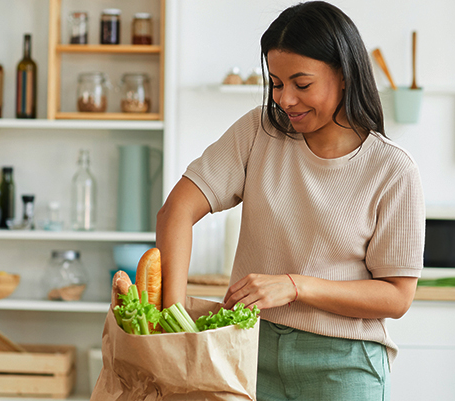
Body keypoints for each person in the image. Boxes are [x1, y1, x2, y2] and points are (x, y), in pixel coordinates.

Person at [156, 1, 424, 399]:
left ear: (345, 75)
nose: (285, 99)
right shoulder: (259, 132)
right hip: (247, 349)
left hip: (343, 364)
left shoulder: (392, 170)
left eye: (302, 84)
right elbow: (176, 211)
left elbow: (397, 296)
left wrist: (296, 287)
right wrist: (172, 318)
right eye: (276, 83)